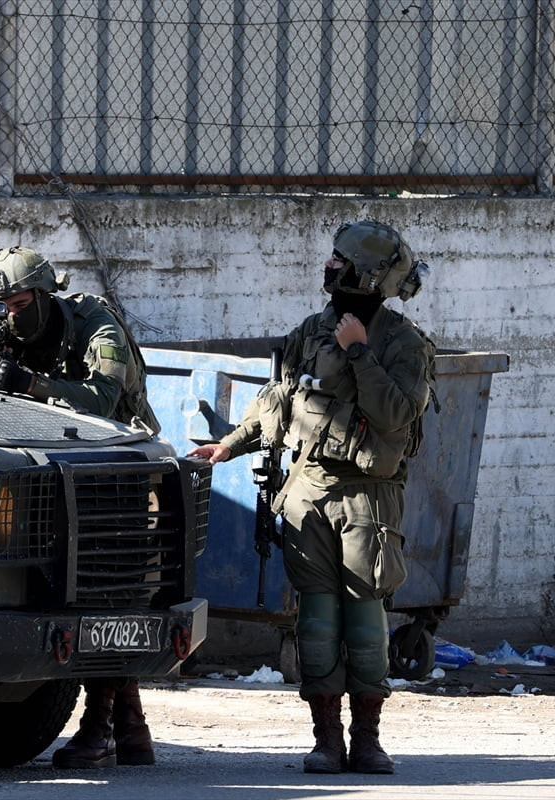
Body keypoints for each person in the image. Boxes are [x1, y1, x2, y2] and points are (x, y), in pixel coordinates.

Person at [189, 220, 435, 775]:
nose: (330, 267)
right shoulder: (311, 330)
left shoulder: (403, 343)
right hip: (309, 490)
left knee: (366, 618)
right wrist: (228, 445)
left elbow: (397, 413)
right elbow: (277, 399)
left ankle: (367, 739)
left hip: (368, 499)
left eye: (340, 261)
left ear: (368, 276)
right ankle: (326, 738)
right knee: (318, 620)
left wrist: (359, 354)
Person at [0, 245, 159, 769]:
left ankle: (100, 727)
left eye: (18, 303)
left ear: (45, 296)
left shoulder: (96, 325)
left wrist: (29, 384)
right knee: (77, 595)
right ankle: (130, 730)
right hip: (54, 473)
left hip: (121, 468)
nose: (6, 315)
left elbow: (102, 400)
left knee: (110, 596)